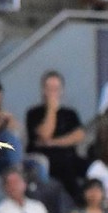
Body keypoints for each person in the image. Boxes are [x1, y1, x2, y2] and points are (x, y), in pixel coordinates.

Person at [25, 70, 86, 201]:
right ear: (43, 90)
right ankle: (76, 200)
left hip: (70, 155)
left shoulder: (70, 113)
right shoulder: (34, 113)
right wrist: (51, 109)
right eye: (49, 89)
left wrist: (54, 142)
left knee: (90, 164)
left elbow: (79, 135)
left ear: (62, 91)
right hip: (45, 157)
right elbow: (45, 134)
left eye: (56, 89)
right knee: (64, 164)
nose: (53, 92)